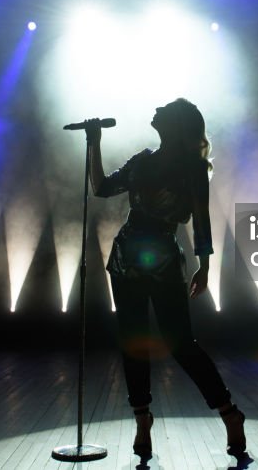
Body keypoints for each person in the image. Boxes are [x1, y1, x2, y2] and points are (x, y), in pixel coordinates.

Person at [85, 98, 246, 458]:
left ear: (177, 124)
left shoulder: (192, 167)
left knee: (180, 342)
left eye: (165, 109)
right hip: (126, 258)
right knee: (133, 341)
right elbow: (101, 188)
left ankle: (230, 413)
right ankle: (142, 418)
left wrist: (204, 266)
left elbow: (201, 220)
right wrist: (94, 142)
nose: (155, 110)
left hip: (163, 258)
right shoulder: (142, 160)